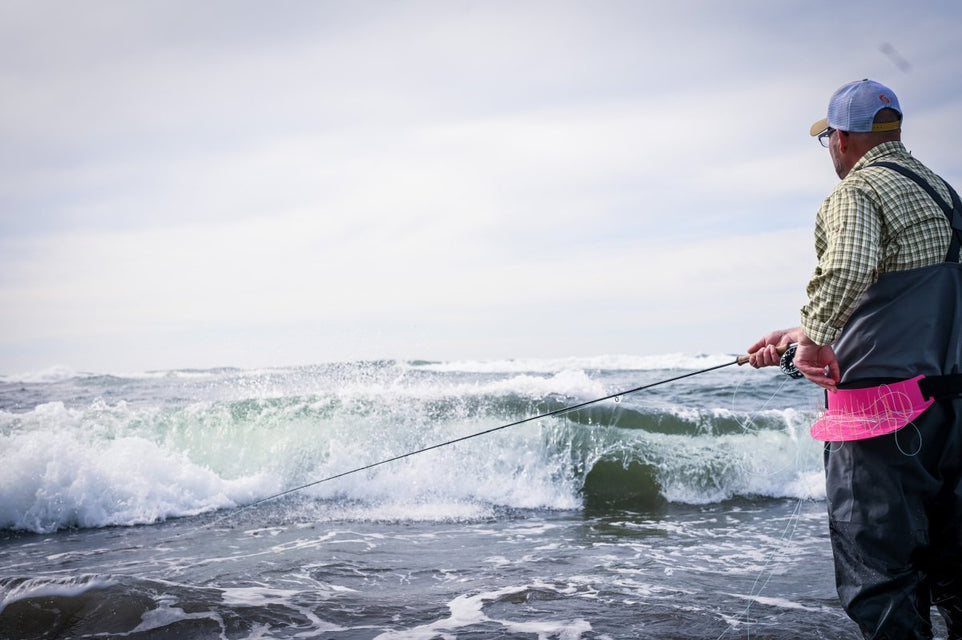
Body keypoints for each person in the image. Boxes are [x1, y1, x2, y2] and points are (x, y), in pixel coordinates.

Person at [748, 79, 962, 640]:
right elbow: (902, 299)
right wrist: (805, 332)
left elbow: (848, 266)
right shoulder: (943, 195)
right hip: (954, 412)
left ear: (841, 137)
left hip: (884, 419)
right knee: (957, 573)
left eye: (830, 140)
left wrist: (814, 342)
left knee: (880, 582)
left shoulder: (858, 192)